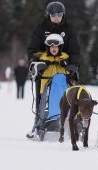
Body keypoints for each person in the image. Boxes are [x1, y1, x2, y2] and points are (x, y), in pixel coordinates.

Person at [26, 1, 80, 138]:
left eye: (59, 15)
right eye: (53, 15)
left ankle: (73, 121)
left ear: (63, 15)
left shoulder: (69, 30)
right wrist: (36, 62)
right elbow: (32, 49)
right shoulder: (40, 29)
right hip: (44, 71)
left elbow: (75, 51)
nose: (56, 18)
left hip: (64, 68)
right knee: (41, 98)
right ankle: (38, 123)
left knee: (71, 95)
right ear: (48, 15)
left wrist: (72, 64)